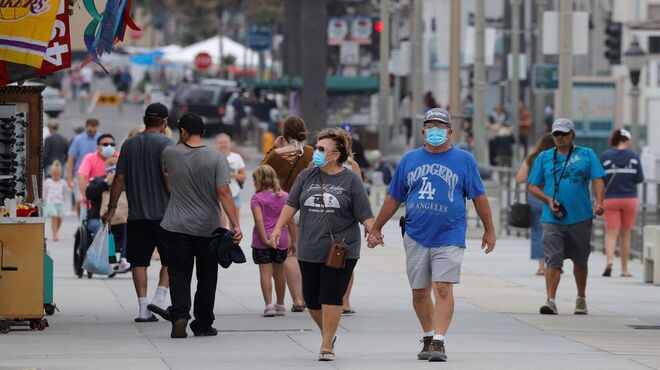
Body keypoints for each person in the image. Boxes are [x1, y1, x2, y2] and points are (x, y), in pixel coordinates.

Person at [368, 108, 496, 362]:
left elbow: (479, 196)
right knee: (419, 291)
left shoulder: (464, 160)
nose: (435, 131)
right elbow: (394, 197)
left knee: (443, 287)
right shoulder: (409, 160)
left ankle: (439, 341)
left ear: (450, 131)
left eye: (440, 126)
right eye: (430, 126)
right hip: (416, 233)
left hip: (450, 234)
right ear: (423, 131)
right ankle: (428, 334)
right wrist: (377, 227)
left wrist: (489, 230)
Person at [270, 128, 376, 361]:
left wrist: (373, 231)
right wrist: (278, 228)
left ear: (335, 155)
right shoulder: (306, 176)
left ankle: (326, 344)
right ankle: (329, 333)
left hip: (341, 248)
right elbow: (291, 204)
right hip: (310, 246)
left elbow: (364, 212)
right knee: (312, 299)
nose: (315, 152)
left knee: (331, 295)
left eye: (320, 149)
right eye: (316, 147)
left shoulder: (350, 179)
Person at [160, 112, 242, 338]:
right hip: (208, 227)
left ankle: (179, 315)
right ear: (203, 132)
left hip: (176, 225)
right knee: (207, 276)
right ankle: (203, 322)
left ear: (183, 132)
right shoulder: (217, 157)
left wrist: (180, 139)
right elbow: (224, 192)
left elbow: (167, 176)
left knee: (178, 272)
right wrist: (235, 224)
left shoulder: (170, 152)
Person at [103, 103, 173, 323]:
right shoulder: (167, 144)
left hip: (137, 215)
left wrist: (111, 208)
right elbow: (167, 176)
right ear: (165, 122)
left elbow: (119, 178)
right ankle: (160, 298)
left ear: (145, 120)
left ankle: (143, 308)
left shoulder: (129, 145)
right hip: (165, 214)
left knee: (139, 262)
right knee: (171, 259)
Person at [528, 118, 605, 315]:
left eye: (564, 134)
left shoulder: (587, 154)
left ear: (572, 135)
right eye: (556, 134)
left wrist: (599, 202)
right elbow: (532, 186)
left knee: (580, 260)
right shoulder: (544, 157)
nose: (560, 138)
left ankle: (581, 298)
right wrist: (547, 200)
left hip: (581, 216)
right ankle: (551, 300)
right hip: (552, 217)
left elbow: (598, 180)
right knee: (553, 259)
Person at [262, 116, 313, 312]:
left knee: (290, 255)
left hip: (284, 208)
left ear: (284, 133)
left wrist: (273, 148)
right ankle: (309, 295)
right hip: (306, 205)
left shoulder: (277, 154)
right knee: (305, 254)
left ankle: (298, 299)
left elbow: (261, 172)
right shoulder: (310, 152)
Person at [250, 164, 296, 317]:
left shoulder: (256, 198)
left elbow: (259, 220)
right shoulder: (284, 196)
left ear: (258, 180)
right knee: (279, 273)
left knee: (265, 272)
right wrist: (294, 241)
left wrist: (265, 240)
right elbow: (290, 221)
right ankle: (281, 304)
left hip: (262, 240)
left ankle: (269, 305)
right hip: (281, 240)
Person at [600, 128, 644, 277]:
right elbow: (639, 178)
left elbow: (599, 180)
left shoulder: (605, 156)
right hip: (629, 199)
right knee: (626, 234)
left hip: (610, 199)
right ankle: (624, 269)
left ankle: (609, 261)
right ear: (626, 140)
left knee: (611, 233)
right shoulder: (634, 156)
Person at [516, 134, 555, 275]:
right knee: (555, 230)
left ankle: (541, 266)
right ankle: (554, 264)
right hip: (553, 197)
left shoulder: (532, 158)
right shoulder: (556, 158)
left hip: (535, 197)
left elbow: (520, 178)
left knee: (538, 231)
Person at [86, 157, 130, 273]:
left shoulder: (125, 181)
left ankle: (124, 259)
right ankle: (98, 260)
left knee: (129, 227)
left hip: (121, 219)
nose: (114, 166)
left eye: (117, 164)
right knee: (99, 227)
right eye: (111, 164)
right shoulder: (96, 180)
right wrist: (106, 182)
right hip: (98, 217)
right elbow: (89, 194)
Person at [67, 118, 100, 215]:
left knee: (95, 201)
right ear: (86, 127)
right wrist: (70, 177)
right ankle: (81, 222)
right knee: (80, 200)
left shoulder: (100, 138)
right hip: (81, 175)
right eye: (90, 130)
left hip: (97, 176)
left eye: (94, 130)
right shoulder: (78, 139)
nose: (92, 132)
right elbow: (71, 158)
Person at [215, 134, 247, 228]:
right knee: (221, 223)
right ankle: (222, 242)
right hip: (219, 194)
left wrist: (231, 175)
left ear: (230, 144)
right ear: (216, 145)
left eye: (225, 142)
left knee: (234, 224)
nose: (223, 145)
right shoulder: (214, 157)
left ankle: (233, 242)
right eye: (220, 143)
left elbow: (243, 176)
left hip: (234, 194)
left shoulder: (236, 157)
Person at [77, 133, 118, 202]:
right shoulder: (90, 158)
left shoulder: (119, 157)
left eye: (112, 145)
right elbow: (82, 177)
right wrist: (84, 196)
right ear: (98, 148)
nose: (109, 147)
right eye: (105, 144)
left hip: (114, 204)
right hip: (93, 201)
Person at [43, 161, 69, 241]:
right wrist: (44, 200)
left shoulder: (62, 182)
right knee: (54, 218)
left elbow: (67, 191)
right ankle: (55, 234)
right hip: (51, 203)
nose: (56, 176)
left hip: (60, 203)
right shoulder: (48, 182)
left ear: (60, 174)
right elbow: (44, 191)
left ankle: (56, 231)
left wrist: (70, 186)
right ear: (51, 173)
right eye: (54, 174)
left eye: (58, 175)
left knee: (60, 219)